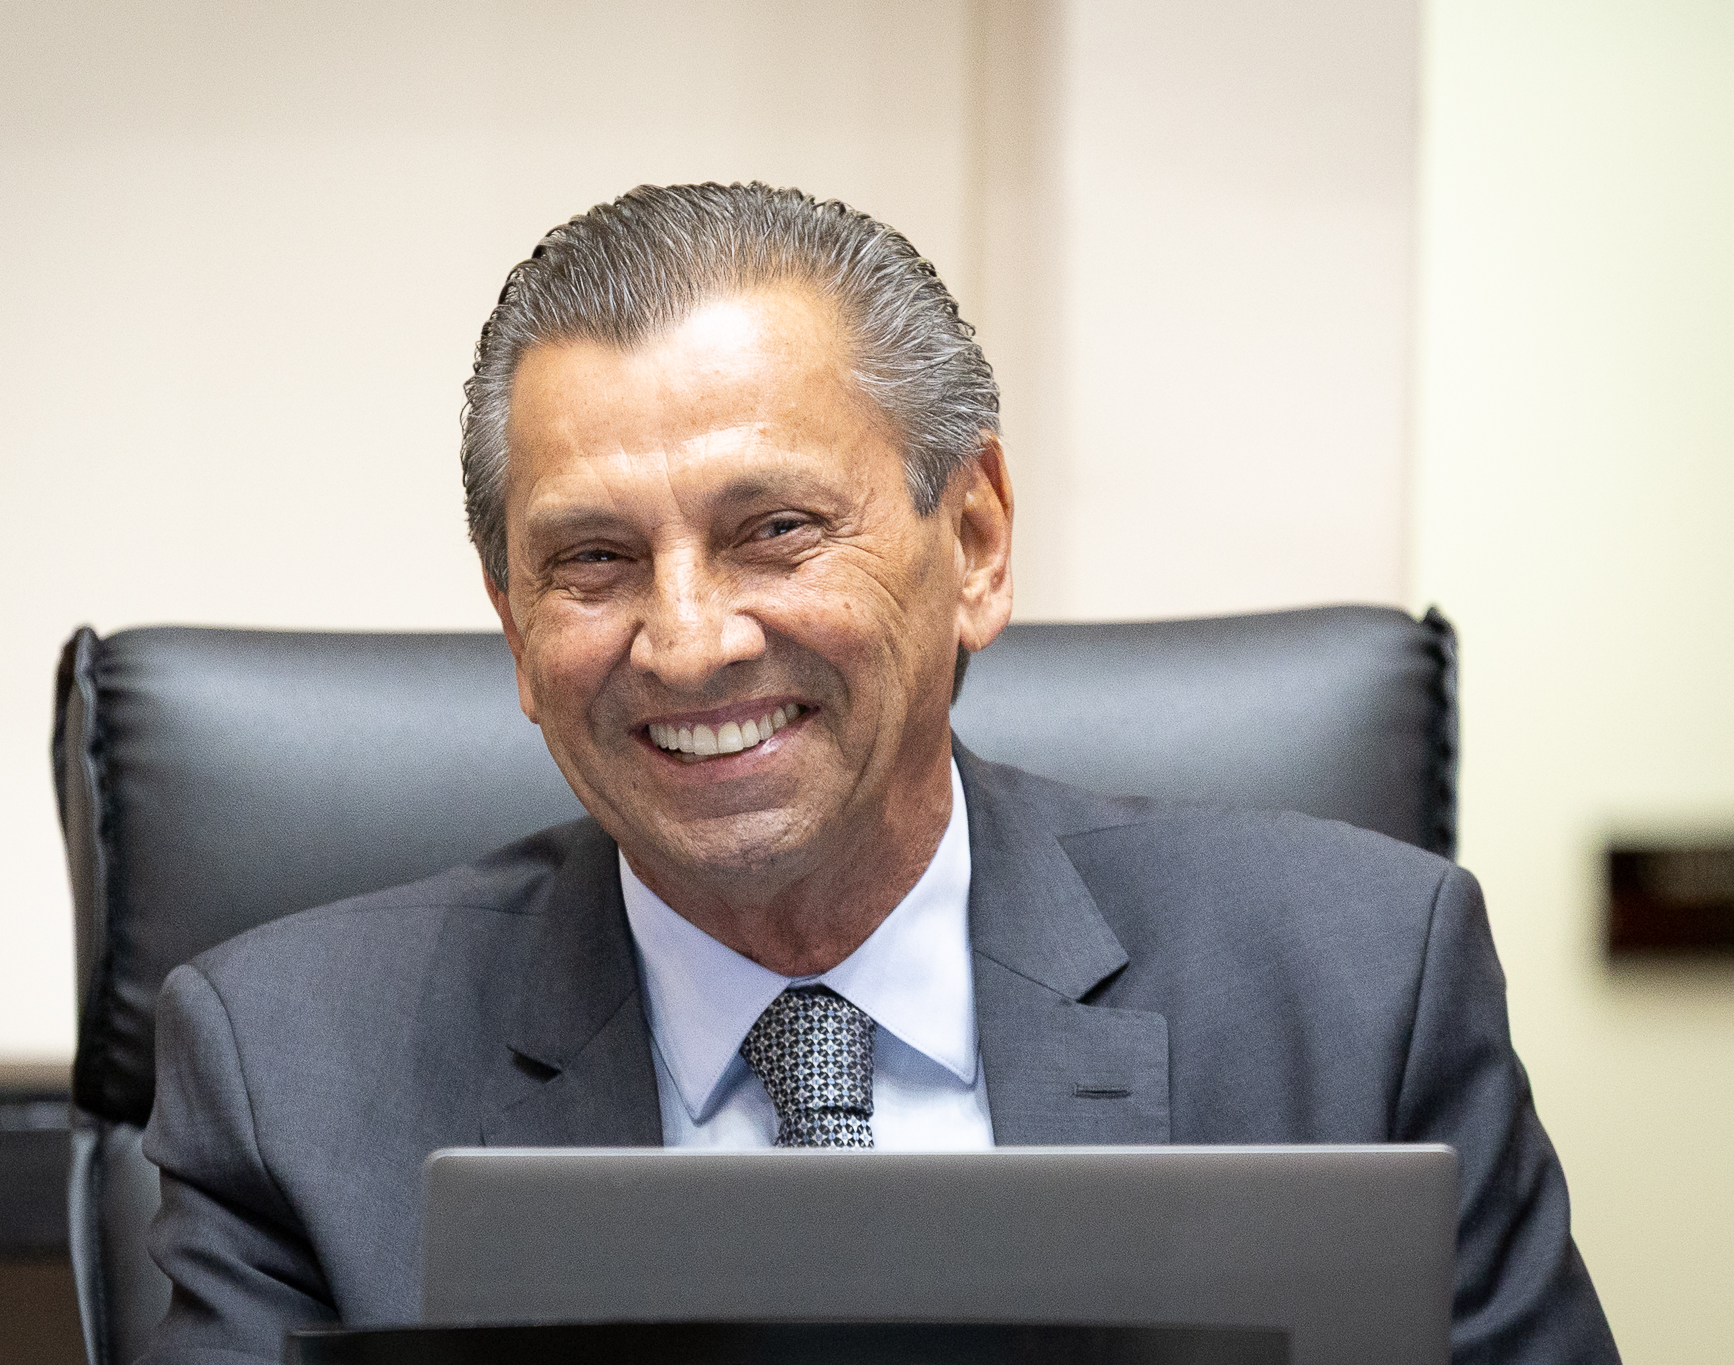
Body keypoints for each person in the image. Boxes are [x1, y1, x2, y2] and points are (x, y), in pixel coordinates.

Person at [138, 183, 1618, 1363]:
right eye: (592, 559)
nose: (688, 640)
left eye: (774, 529)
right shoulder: (289, 1077)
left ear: (974, 542)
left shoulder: (1357, 993)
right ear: (515, 626)